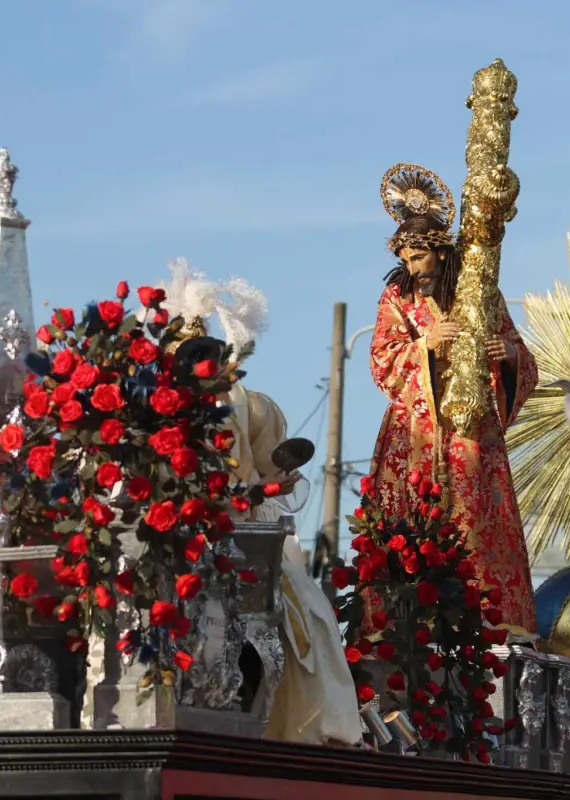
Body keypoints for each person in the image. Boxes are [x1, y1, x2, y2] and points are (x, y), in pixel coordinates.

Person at [160, 260, 363, 747]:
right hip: (172, 539)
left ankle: (293, 731)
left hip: (241, 540)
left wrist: (278, 470)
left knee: (309, 617)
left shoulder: (245, 402)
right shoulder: (152, 405)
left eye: (203, 351)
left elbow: (270, 470)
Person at [366, 165, 539, 636]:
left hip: (469, 432)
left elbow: (522, 358)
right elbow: (382, 358)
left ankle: (490, 618)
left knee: (476, 523)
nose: (411, 263)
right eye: (404, 254)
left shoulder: (480, 295)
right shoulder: (396, 297)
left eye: (418, 254)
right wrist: (425, 343)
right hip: (417, 430)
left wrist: (506, 357)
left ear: (440, 252)